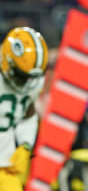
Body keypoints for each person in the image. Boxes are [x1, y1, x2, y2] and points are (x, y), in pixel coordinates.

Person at [0, 27, 48, 191]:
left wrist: (25, 145)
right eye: (21, 75)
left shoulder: (33, 84)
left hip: (5, 165)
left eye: (30, 76)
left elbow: (28, 112)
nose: (25, 81)